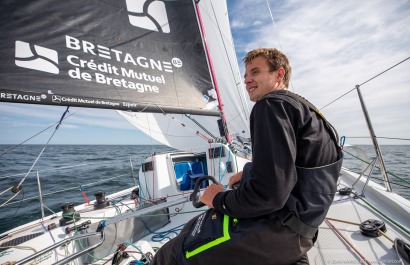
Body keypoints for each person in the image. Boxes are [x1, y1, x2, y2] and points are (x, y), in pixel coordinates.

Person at [151, 48, 343, 265]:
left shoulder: (270, 105)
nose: (247, 80)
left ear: (279, 74)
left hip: (278, 230)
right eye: (245, 76)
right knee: (194, 227)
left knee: (171, 253)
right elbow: (294, 166)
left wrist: (216, 198)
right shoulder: (304, 109)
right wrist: (251, 171)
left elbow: (268, 196)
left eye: (255, 72)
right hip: (302, 232)